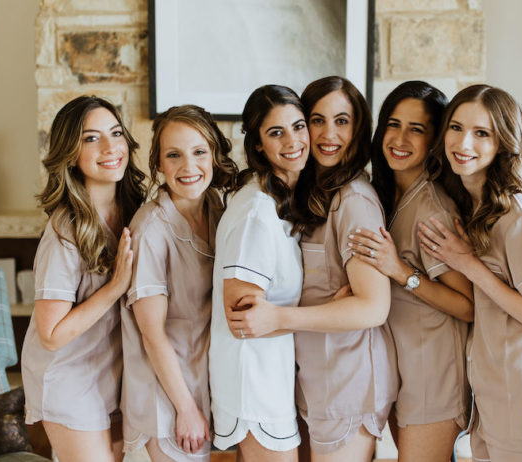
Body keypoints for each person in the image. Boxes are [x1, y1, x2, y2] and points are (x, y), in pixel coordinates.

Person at [226, 76, 397, 462]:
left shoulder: (354, 201)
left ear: (358, 130)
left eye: (342, 121)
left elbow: (373, 307)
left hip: (348, 386)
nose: (327, 134)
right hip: (314, 379)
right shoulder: (312, 197)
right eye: (316, 120)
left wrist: (281, 318)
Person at [417, 84, 522, 462]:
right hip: (496, 403)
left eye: (482, 133)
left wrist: (468, 265)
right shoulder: (475, 207)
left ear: (503, 142)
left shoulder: (520, 213)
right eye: (456, 128)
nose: (464, 142)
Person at [348, 81, 474, 461]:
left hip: (434, 378)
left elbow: (468, 305)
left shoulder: (431, 209)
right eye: (394, 124)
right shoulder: (391, 197)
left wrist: (401, 271)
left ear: (434, 140)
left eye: (416, 129)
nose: (400, 138)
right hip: (405, 373)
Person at [21, 95, 146, 462]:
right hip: (69, 381)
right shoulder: (66, 228)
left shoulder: (135, 210)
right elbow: (52, 334)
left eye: (116, 133)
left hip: (115, 375)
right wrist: (115, 288)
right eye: (91, 138)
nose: (110, 147)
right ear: (70, 153)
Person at [121, 105, 237, 461]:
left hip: (205, 377)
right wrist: (185, 408)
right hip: (168, 392)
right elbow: (151, 333)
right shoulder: (151, 229)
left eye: (199, 152)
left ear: (214, 156)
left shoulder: (217, 208)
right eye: (174, 155)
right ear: (158, 164)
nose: (189, 167)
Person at [209, 85, 309, 461]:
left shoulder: (278, 203)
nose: (293, 141)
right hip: (253, 383)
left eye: (298, 126)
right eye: (276, 132)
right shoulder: (256, 213)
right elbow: (243, 320)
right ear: (258, 146)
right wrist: (331, 313)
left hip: (271, 375)